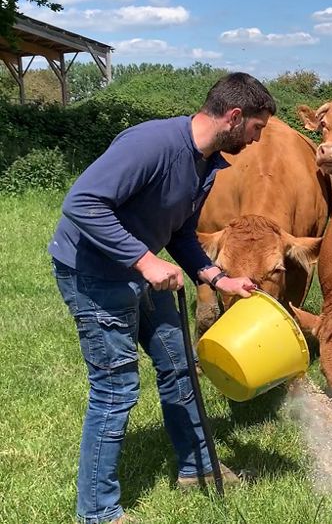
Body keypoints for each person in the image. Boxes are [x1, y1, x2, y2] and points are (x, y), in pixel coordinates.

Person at [49, 72, 276, 524]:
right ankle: (97, 513)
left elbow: (180, 233)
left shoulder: (207, 164)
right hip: (94, 274)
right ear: (234, 116)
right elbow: (83, 203)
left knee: (179, 367)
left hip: (143, 273)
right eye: (257, 130)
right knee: (115, 390)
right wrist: (145, 261)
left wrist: (214, 276)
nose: (256, 141)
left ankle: (198, 468)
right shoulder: (152, 144)